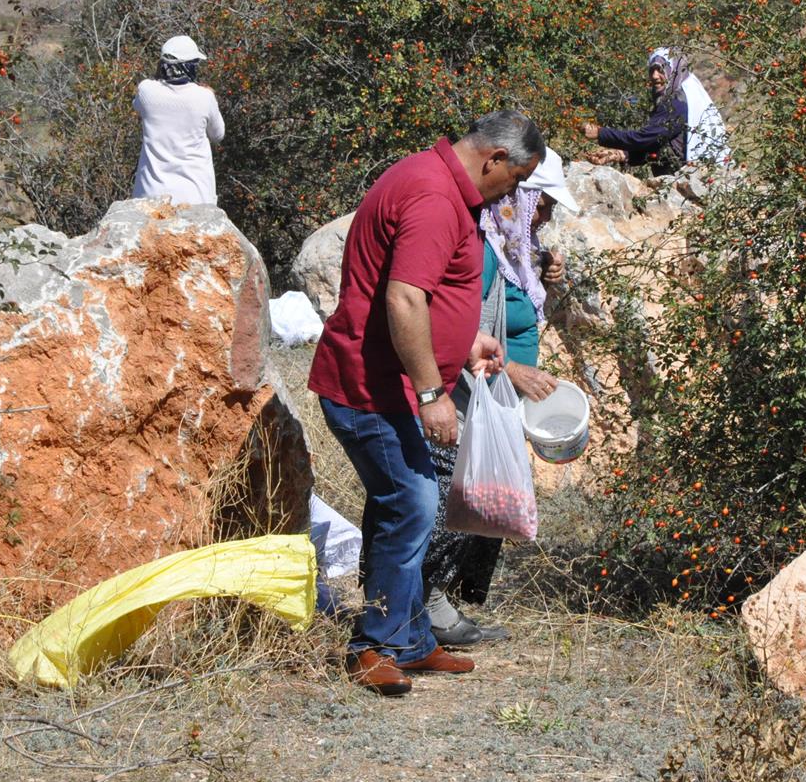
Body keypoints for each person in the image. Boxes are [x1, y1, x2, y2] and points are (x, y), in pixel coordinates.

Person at [308, 111, 544, 696]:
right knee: (412, 502)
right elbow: (405, 300)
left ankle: (410, 639)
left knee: (403, 502)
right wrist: (432, 391)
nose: (512, 194)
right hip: (371, 387)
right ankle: (374, 646)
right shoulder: (435, 196)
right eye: (515, 180)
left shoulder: (434, 182)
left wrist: (463, 342)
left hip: (386, 384)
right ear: (493, 159)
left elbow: (427, 295)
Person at [422, 147, 580, 647]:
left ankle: (447, 600)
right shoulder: (486, 249)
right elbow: (460, 326)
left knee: (482, 497)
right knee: (456, 496)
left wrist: (546, 270)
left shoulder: (515, 247)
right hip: (469, 391)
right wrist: (511, 370)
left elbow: (517, 309)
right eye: (543, 205)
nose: (547, 216)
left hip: (494, 393)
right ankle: (428, 604)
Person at [582, 47, 730, 173]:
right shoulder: (681, 97)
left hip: (683, 183)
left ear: (674, 71)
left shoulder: (677, 102)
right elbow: (659, 143)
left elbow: (645, 138)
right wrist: (620, 154)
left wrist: (600, 133)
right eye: (652, 70)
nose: (654, 76)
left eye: (660, 70)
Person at [131, 35, 225, 206]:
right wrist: (211, 96)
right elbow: (218, 135)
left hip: (150, 196)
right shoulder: (205, 97)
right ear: (190, 67)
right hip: (196, 195)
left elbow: (137, 105)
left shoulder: (146, 90)